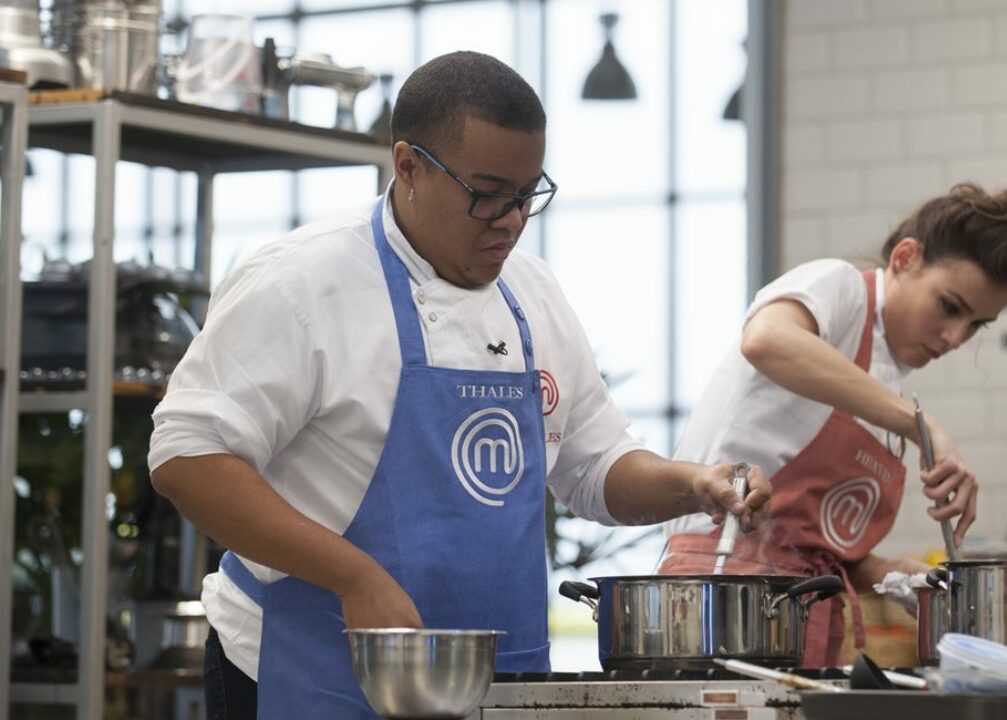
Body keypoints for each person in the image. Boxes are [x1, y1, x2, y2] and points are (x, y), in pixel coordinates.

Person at [147, 51, 769, 719]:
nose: (511, 219)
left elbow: (596, 466)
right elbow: (187, 457)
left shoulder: (535, 293)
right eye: (487, 192)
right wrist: (353, 576)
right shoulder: (303, 281)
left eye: (529, 194)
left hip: (492, 684)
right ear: (407, 165)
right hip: (306, 670)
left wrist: (692, 481)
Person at [659, 183, 1007, 666]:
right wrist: (923, 429)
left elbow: (810, 544)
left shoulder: (891, 393)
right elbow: (766, 339)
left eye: (976, 325)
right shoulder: (838, 288)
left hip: (802, 615)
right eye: (950, 306)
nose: (955, 338)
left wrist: (894, 575)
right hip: (723, 598)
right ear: (905, 258)